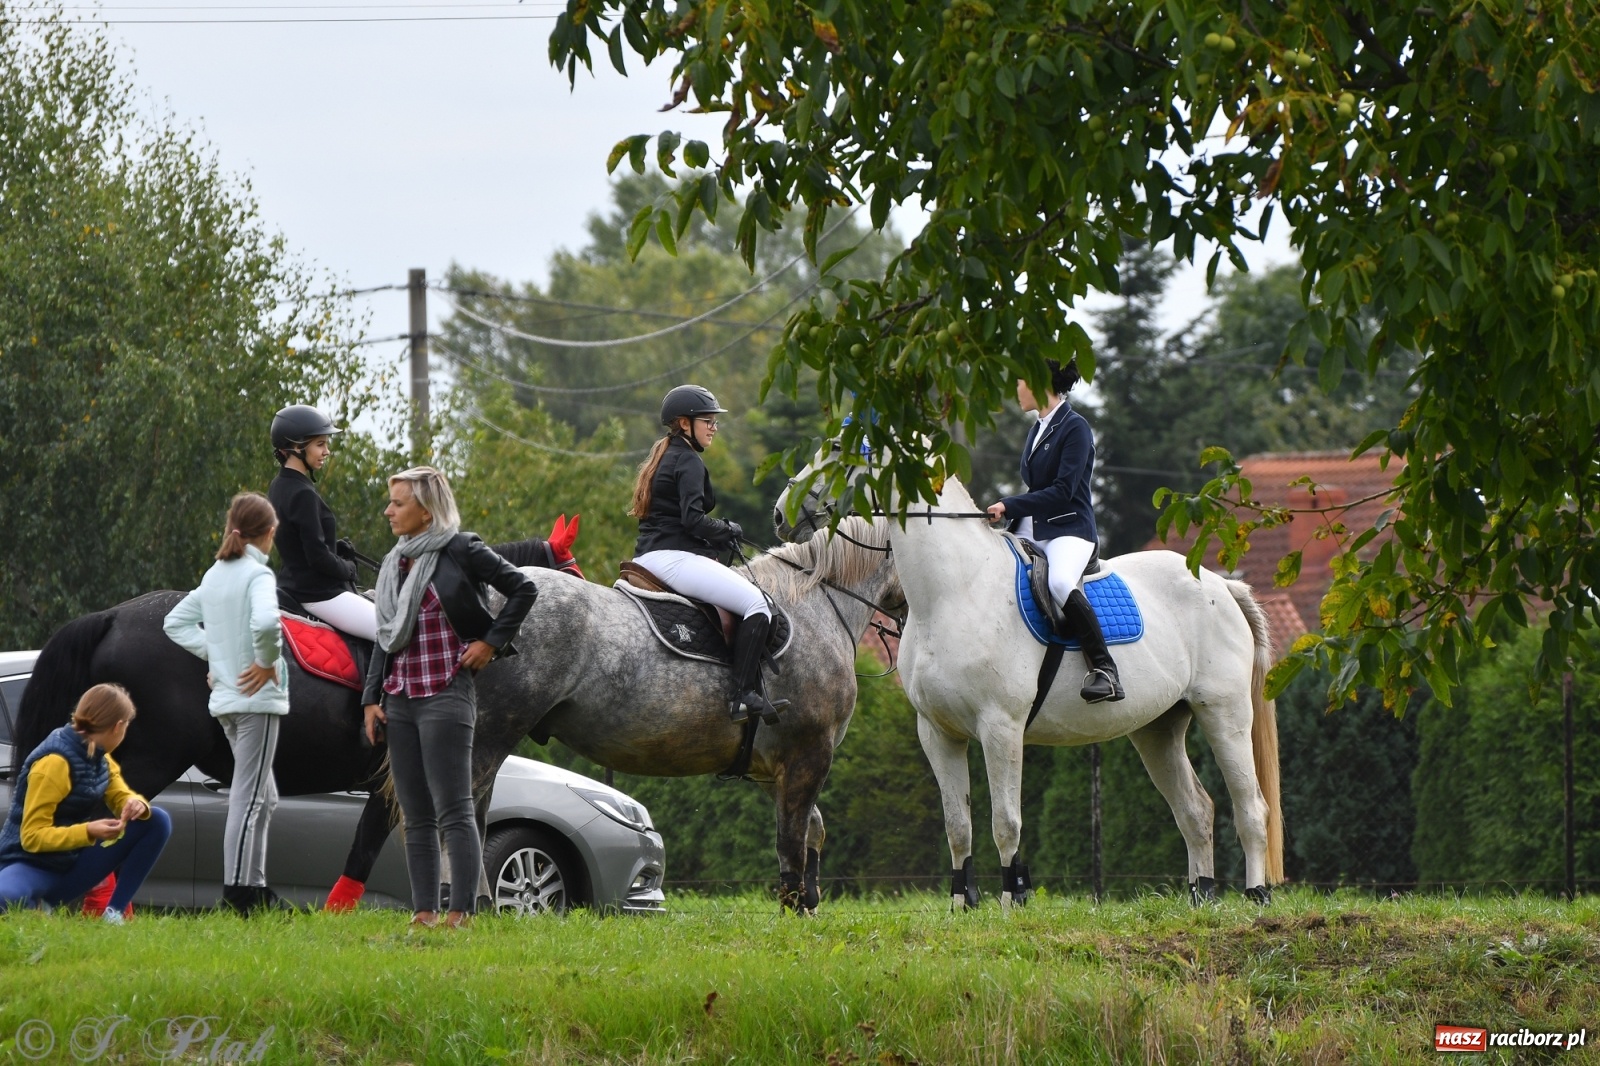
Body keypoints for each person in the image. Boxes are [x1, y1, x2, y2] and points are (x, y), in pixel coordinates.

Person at [360, 467, 538, 928]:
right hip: (399, 699)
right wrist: (371, 698)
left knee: (455, 808)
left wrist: (491, 642)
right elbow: (385, 635)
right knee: (415, 814)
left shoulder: (462, 549)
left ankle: (461, 912)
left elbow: (523, 589)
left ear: (425, 510)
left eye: (398, 503)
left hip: (446, 693)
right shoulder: (395, 562)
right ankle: (424, 913)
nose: (388, 511)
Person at [163, 491, 292, 915]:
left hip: (227, 702)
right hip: (256, 700)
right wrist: (265, 663)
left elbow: (175, 622)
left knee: (264, 796)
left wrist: (218, 656)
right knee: (250, 798)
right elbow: (267, 623)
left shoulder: (215, 574)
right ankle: (239, 892)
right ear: (268, 532)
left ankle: (255, 886)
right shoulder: (258, 575)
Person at [630, 384, 780, 724]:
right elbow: (693, 521)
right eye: (707, 421)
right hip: (674, 558)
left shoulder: (664, 455)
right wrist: (728, 529)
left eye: (715, 421)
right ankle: (741, 696)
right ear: (685, 424)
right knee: (758, 605)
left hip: (646, 559)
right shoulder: (688, 460)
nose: (714, 427)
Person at [985, 359, 1125, 703]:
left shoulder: (1075, 427)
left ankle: (1105, 669)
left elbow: (1063, 491)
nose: (1016, 389)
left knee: (1060, 582)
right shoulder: (1038, 427)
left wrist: (1010, 505)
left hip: (1069, 528)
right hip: (1033, 527)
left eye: (1019, 381)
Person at [0, 684, 172, 921]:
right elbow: (31, 837)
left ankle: (114, 915)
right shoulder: (53, 763)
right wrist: (88, 831)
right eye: (126, 727)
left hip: (71, 863)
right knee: (5, 896)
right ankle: (37, 906)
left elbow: (120, 794)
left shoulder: (99, 755)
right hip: (30, 865)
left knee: (157, 819)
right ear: (118, 726)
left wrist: (134, 803)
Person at [268, 404, 377, 641]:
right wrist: (348, 568)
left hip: (292, 584)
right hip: (319, 594)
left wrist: (334, 548)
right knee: (392, 631)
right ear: (296, 447)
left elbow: (297, 542)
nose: (327, 451)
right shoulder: (303, 494)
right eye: (320, 444)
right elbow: (317, 558)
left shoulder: (278, 485)